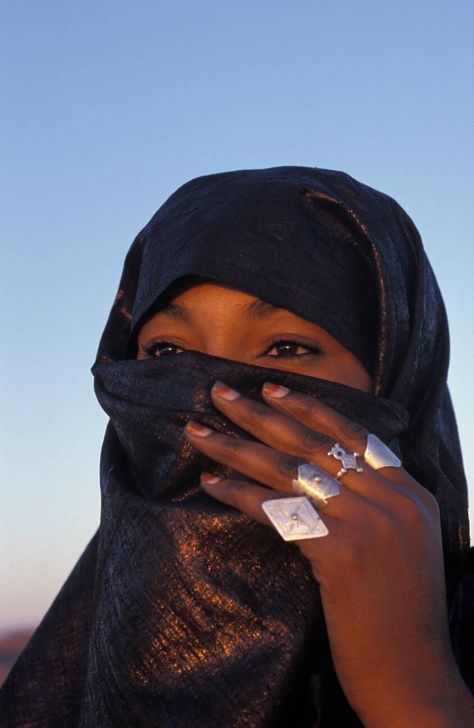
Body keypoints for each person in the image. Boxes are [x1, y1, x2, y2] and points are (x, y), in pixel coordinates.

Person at [1, 166, 473, 727]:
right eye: (169, 355)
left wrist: (412, 689)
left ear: (398, 377)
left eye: (286, 348)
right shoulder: (66, 666)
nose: (215, 394)